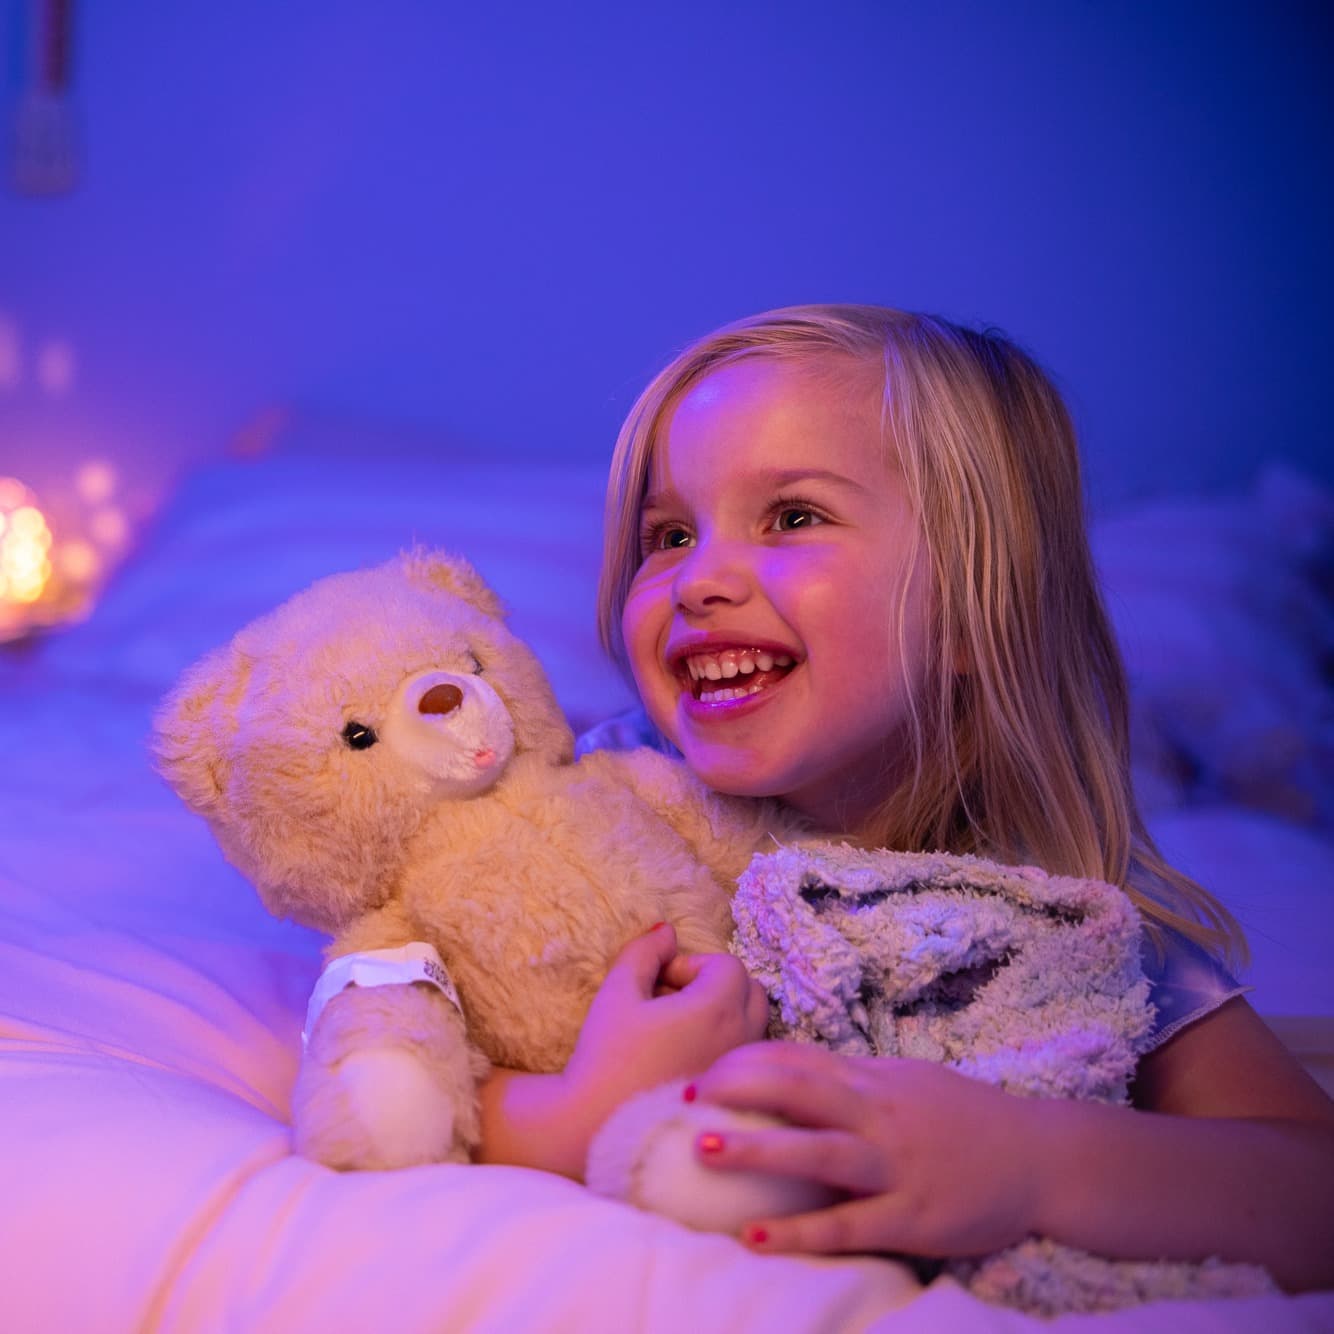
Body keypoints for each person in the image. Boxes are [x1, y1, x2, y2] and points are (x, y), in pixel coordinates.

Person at [478, 304, 1334, 1291]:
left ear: (976, 614)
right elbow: (388, 1044)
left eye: (792, 516)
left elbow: (1309, 1182)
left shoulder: (1058, 906)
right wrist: (574, 1113)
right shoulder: (587, 816)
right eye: (667, 533)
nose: (698, 577)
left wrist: (1027, 1162)